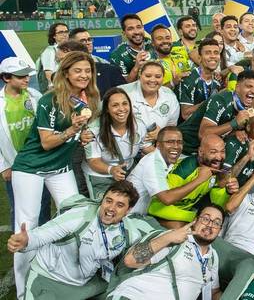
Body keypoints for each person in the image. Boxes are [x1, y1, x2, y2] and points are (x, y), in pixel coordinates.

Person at [10, 51, 99, 298]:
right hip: (31, 168)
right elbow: (47, 142)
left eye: (87, 70)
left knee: (77, 218)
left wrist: (82, 136)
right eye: (78, 70)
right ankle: (23, 291)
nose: (83, 75)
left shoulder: (89, 97)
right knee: (27, 228)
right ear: (66, 73)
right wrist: (73, 129)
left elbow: (76, 135)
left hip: (59, 168)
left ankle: (67, 277)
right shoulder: (50, 99)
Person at [7, 181, 147, 299]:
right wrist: (26, 241)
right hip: (49, 280)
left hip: (86, 285)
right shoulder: (80, 216)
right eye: (108, 201)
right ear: (102, 200)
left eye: (120, 205)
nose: (111, 208)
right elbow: (44, 234)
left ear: (129, 210)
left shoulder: (129, 233)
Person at [109, 204, 226, 300]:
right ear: (195, 220)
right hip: (136, 296)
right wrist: (169, 237)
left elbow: (213, 292)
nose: (210, 225)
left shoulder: (212, 256)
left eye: (216, 223)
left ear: (220, 230)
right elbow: (130, 261)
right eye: (205, 219)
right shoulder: (175, 237)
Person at [146, 134, 236, 227]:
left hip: (182, 215)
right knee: (181, 227)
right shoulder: (185, 169)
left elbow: (218, 205)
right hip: (155, 214)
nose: (219, 157)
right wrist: (195, 217)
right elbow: (156, 206)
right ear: (201, 152)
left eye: (222, 151)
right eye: (213, 152)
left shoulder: (215, 168)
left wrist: (227, 192)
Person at [0, 57, 45, 230]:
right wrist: (3, 166)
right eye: (20, 76)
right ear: (6, 78)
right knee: (19, 209)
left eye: (26, 75)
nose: (26, 79)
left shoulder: (35, 96)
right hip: (16, 165)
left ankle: (43, 245)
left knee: (43, 204)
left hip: (40, 160)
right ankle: (21, 250)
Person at [84, 88, 152, 200]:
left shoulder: (138, 125)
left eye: (125, 104)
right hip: (101, 176)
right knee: (105, 209)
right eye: (115, 105)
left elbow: (145, 147)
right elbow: (93, 161)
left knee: (129, 206)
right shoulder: (93, 130)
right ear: (107, 109)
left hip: (127, 172)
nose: (121, 109)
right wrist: (111, 170)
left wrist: (164, 156)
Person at [178, 70, 254, 155]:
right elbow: (203, 134)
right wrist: (234, 123)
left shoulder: (246, 107)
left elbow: (223, 130)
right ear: (237, 87)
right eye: (249, 86)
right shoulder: (221, 100)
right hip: (183, 148)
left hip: (203, 154)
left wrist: (234, 133)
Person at [126, 126, 183, 214]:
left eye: (179, 142)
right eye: (170, 142)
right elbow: (167, 199)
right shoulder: (153, 163)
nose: (176, 146)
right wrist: (200, 179)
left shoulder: (169, 158)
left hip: (144, 214)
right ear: (158, 145)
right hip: (128, 216)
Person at [119, 61, 180, 141]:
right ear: (140, 75)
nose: (152, 80)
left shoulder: (169, 95)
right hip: (127, 145)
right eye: (148, 76)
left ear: (163, 78)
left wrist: (162, 133)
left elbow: (171, 127)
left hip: (158, 145)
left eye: (158, 77)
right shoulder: (123, 93)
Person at [69, 28, 127, 94]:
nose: (88, 43)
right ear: (72, 44)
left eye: (89, 39)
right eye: (83, 41)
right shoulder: (66, 64)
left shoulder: (104, 64)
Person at [178, 38, 223, 121]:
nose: (213, 56)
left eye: (216, 53)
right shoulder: (188, 79)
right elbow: (185, 114)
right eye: (208, 53)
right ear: (199, 58)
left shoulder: (217, 82)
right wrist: (210, 101)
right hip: (189, 129)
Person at [109, 14, 153, 82]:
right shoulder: (117, 55)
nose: (137, 32)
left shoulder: (153, 44)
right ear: (124, 33)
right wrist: (136, 67)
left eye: (139, 27)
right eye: (130, 29)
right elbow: (124, 84)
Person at [38, 22, 69, 90]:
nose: (65, 35)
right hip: (58, 87)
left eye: (66, 32)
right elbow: (48, 73)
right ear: (54, 36)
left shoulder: (71, 48)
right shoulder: (50, 51)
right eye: (61, 32)